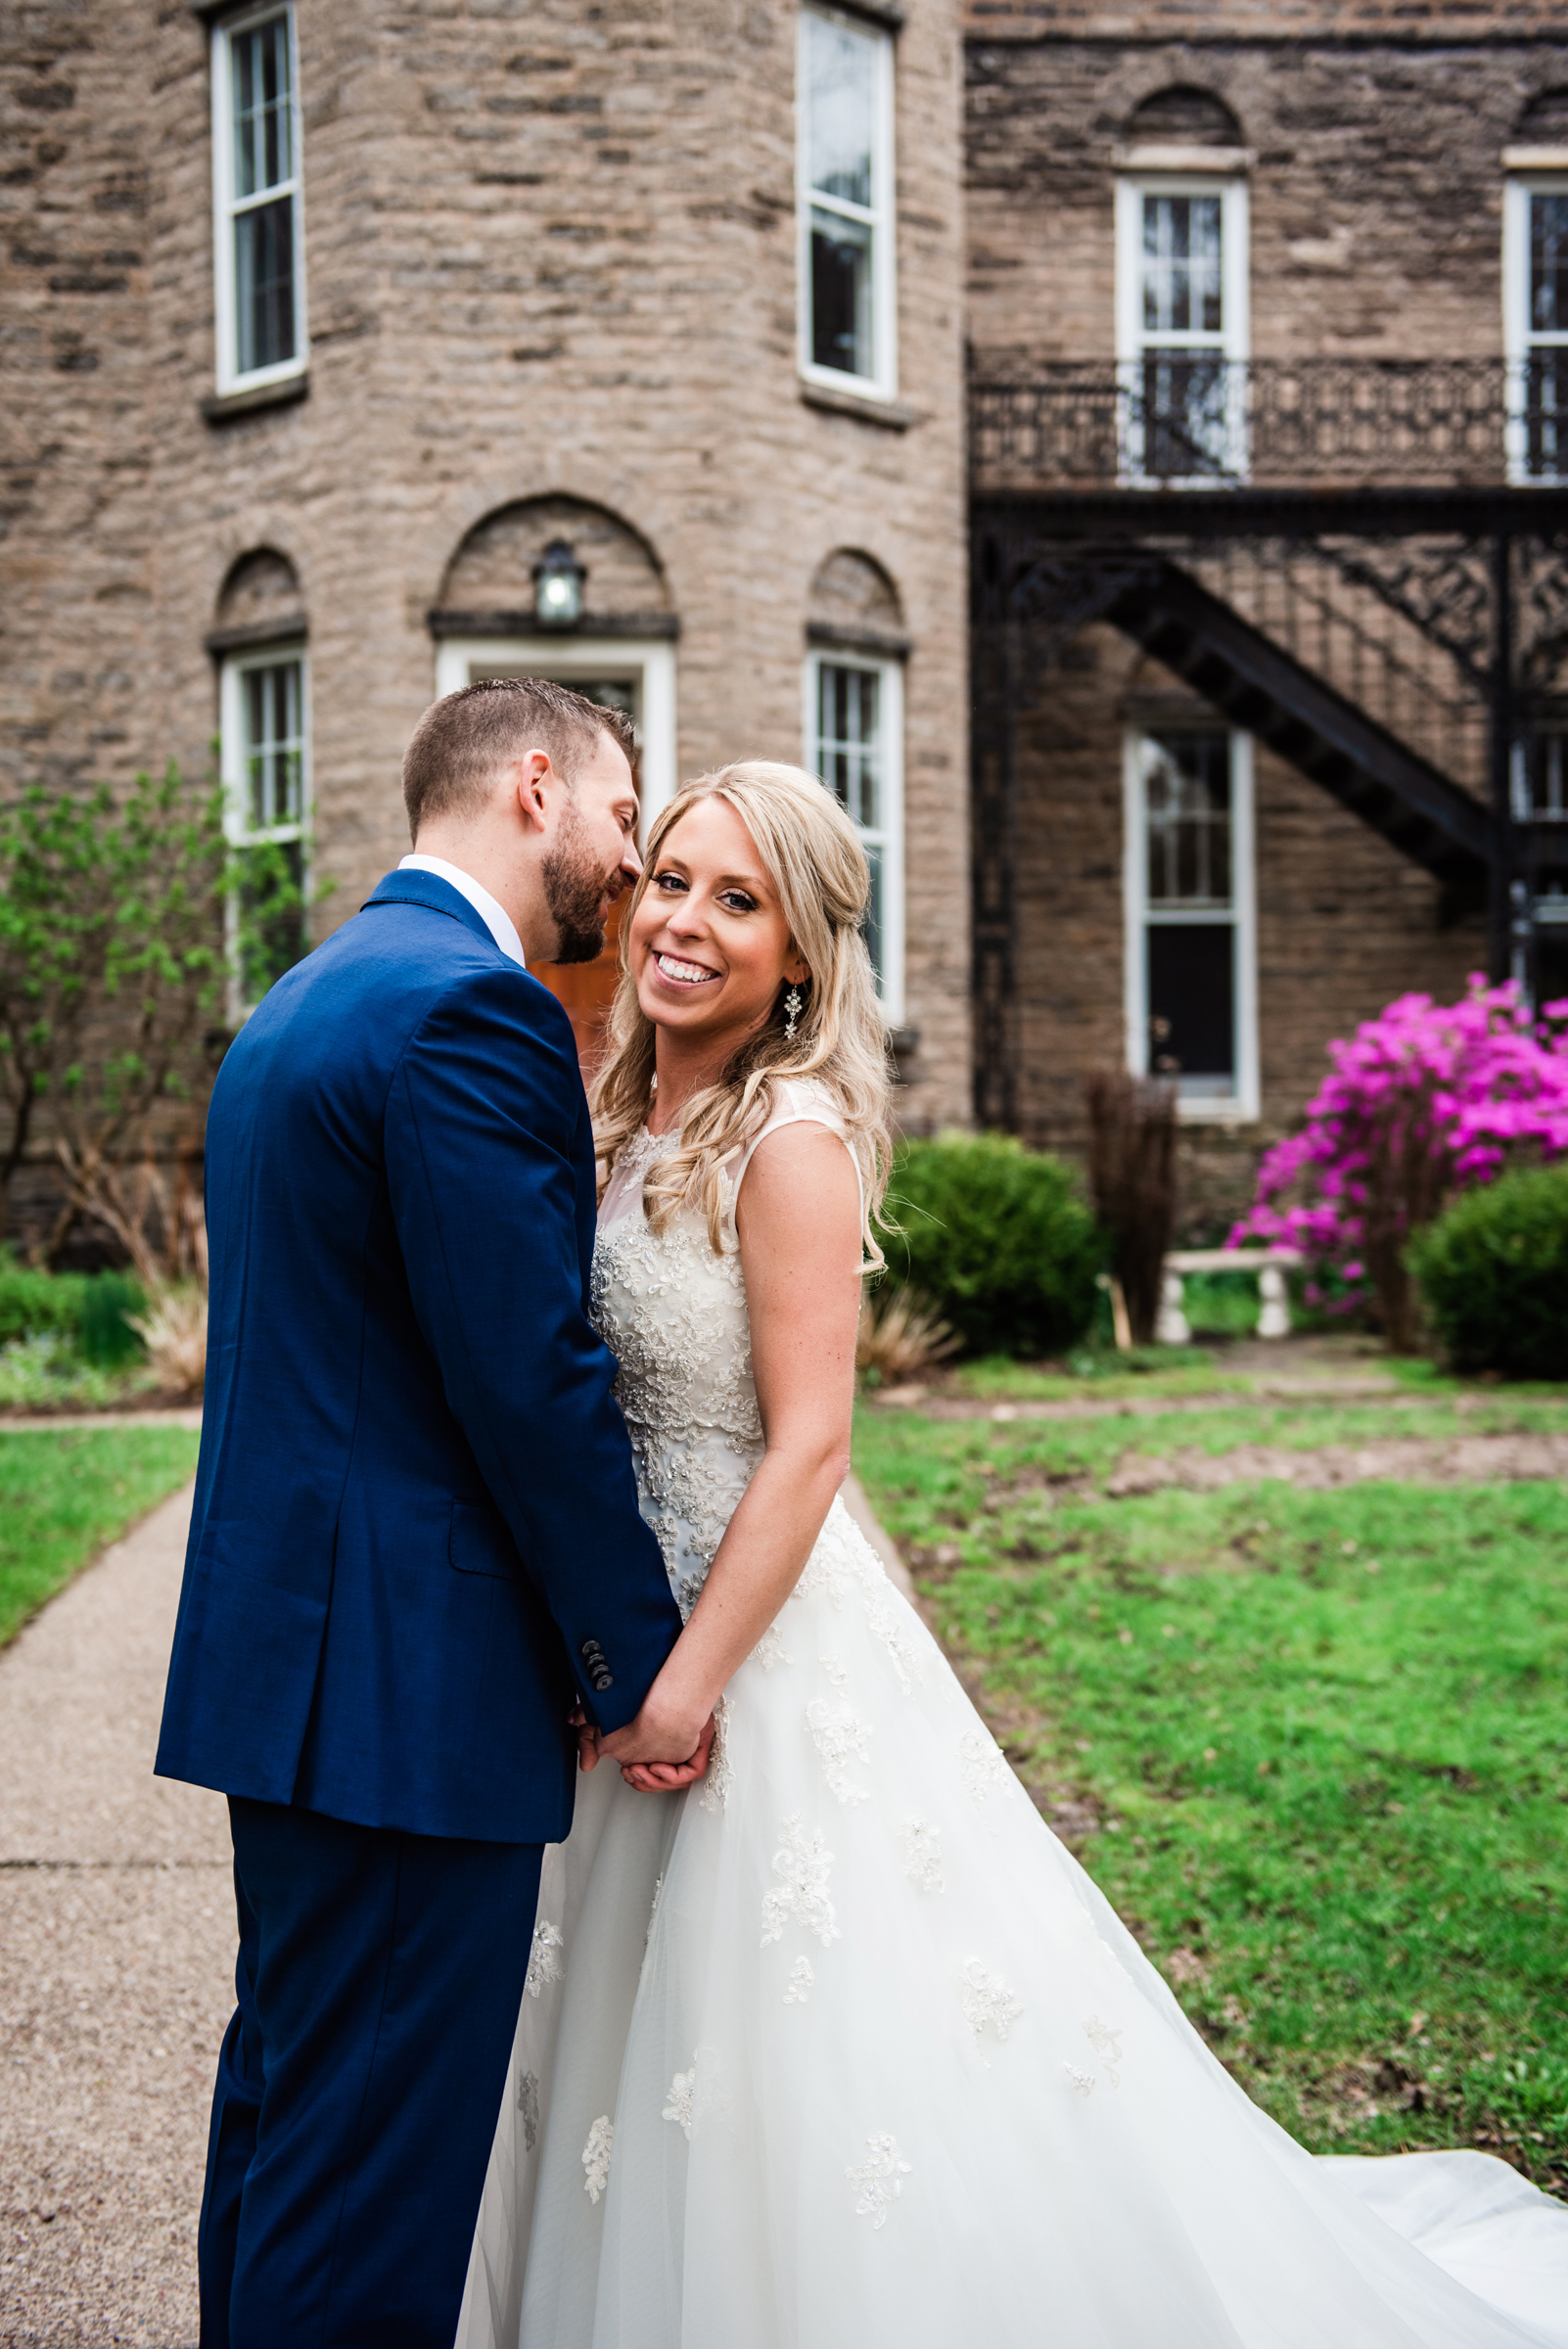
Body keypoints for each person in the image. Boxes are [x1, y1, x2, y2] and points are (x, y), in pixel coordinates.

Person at [459, 760, 1568, 2349]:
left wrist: (684, 1690)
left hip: (746, 1651)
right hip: (620, 1638)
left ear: (798, 960)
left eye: (737, 899)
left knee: (806, 2048)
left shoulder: (788, 1135)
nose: (683, 924)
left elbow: (811, 1448)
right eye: (673, 879)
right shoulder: (608, 1107)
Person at [156, 679, 710, 2349]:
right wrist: (634, 1659)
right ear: (536, 787)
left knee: (294, 2117)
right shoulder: (471, 1012)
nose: (629, 865)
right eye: (624, 818)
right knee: (372, 2184)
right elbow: (526, 1382)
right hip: (405, 1690)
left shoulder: (311, 994)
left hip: (296, 1672)